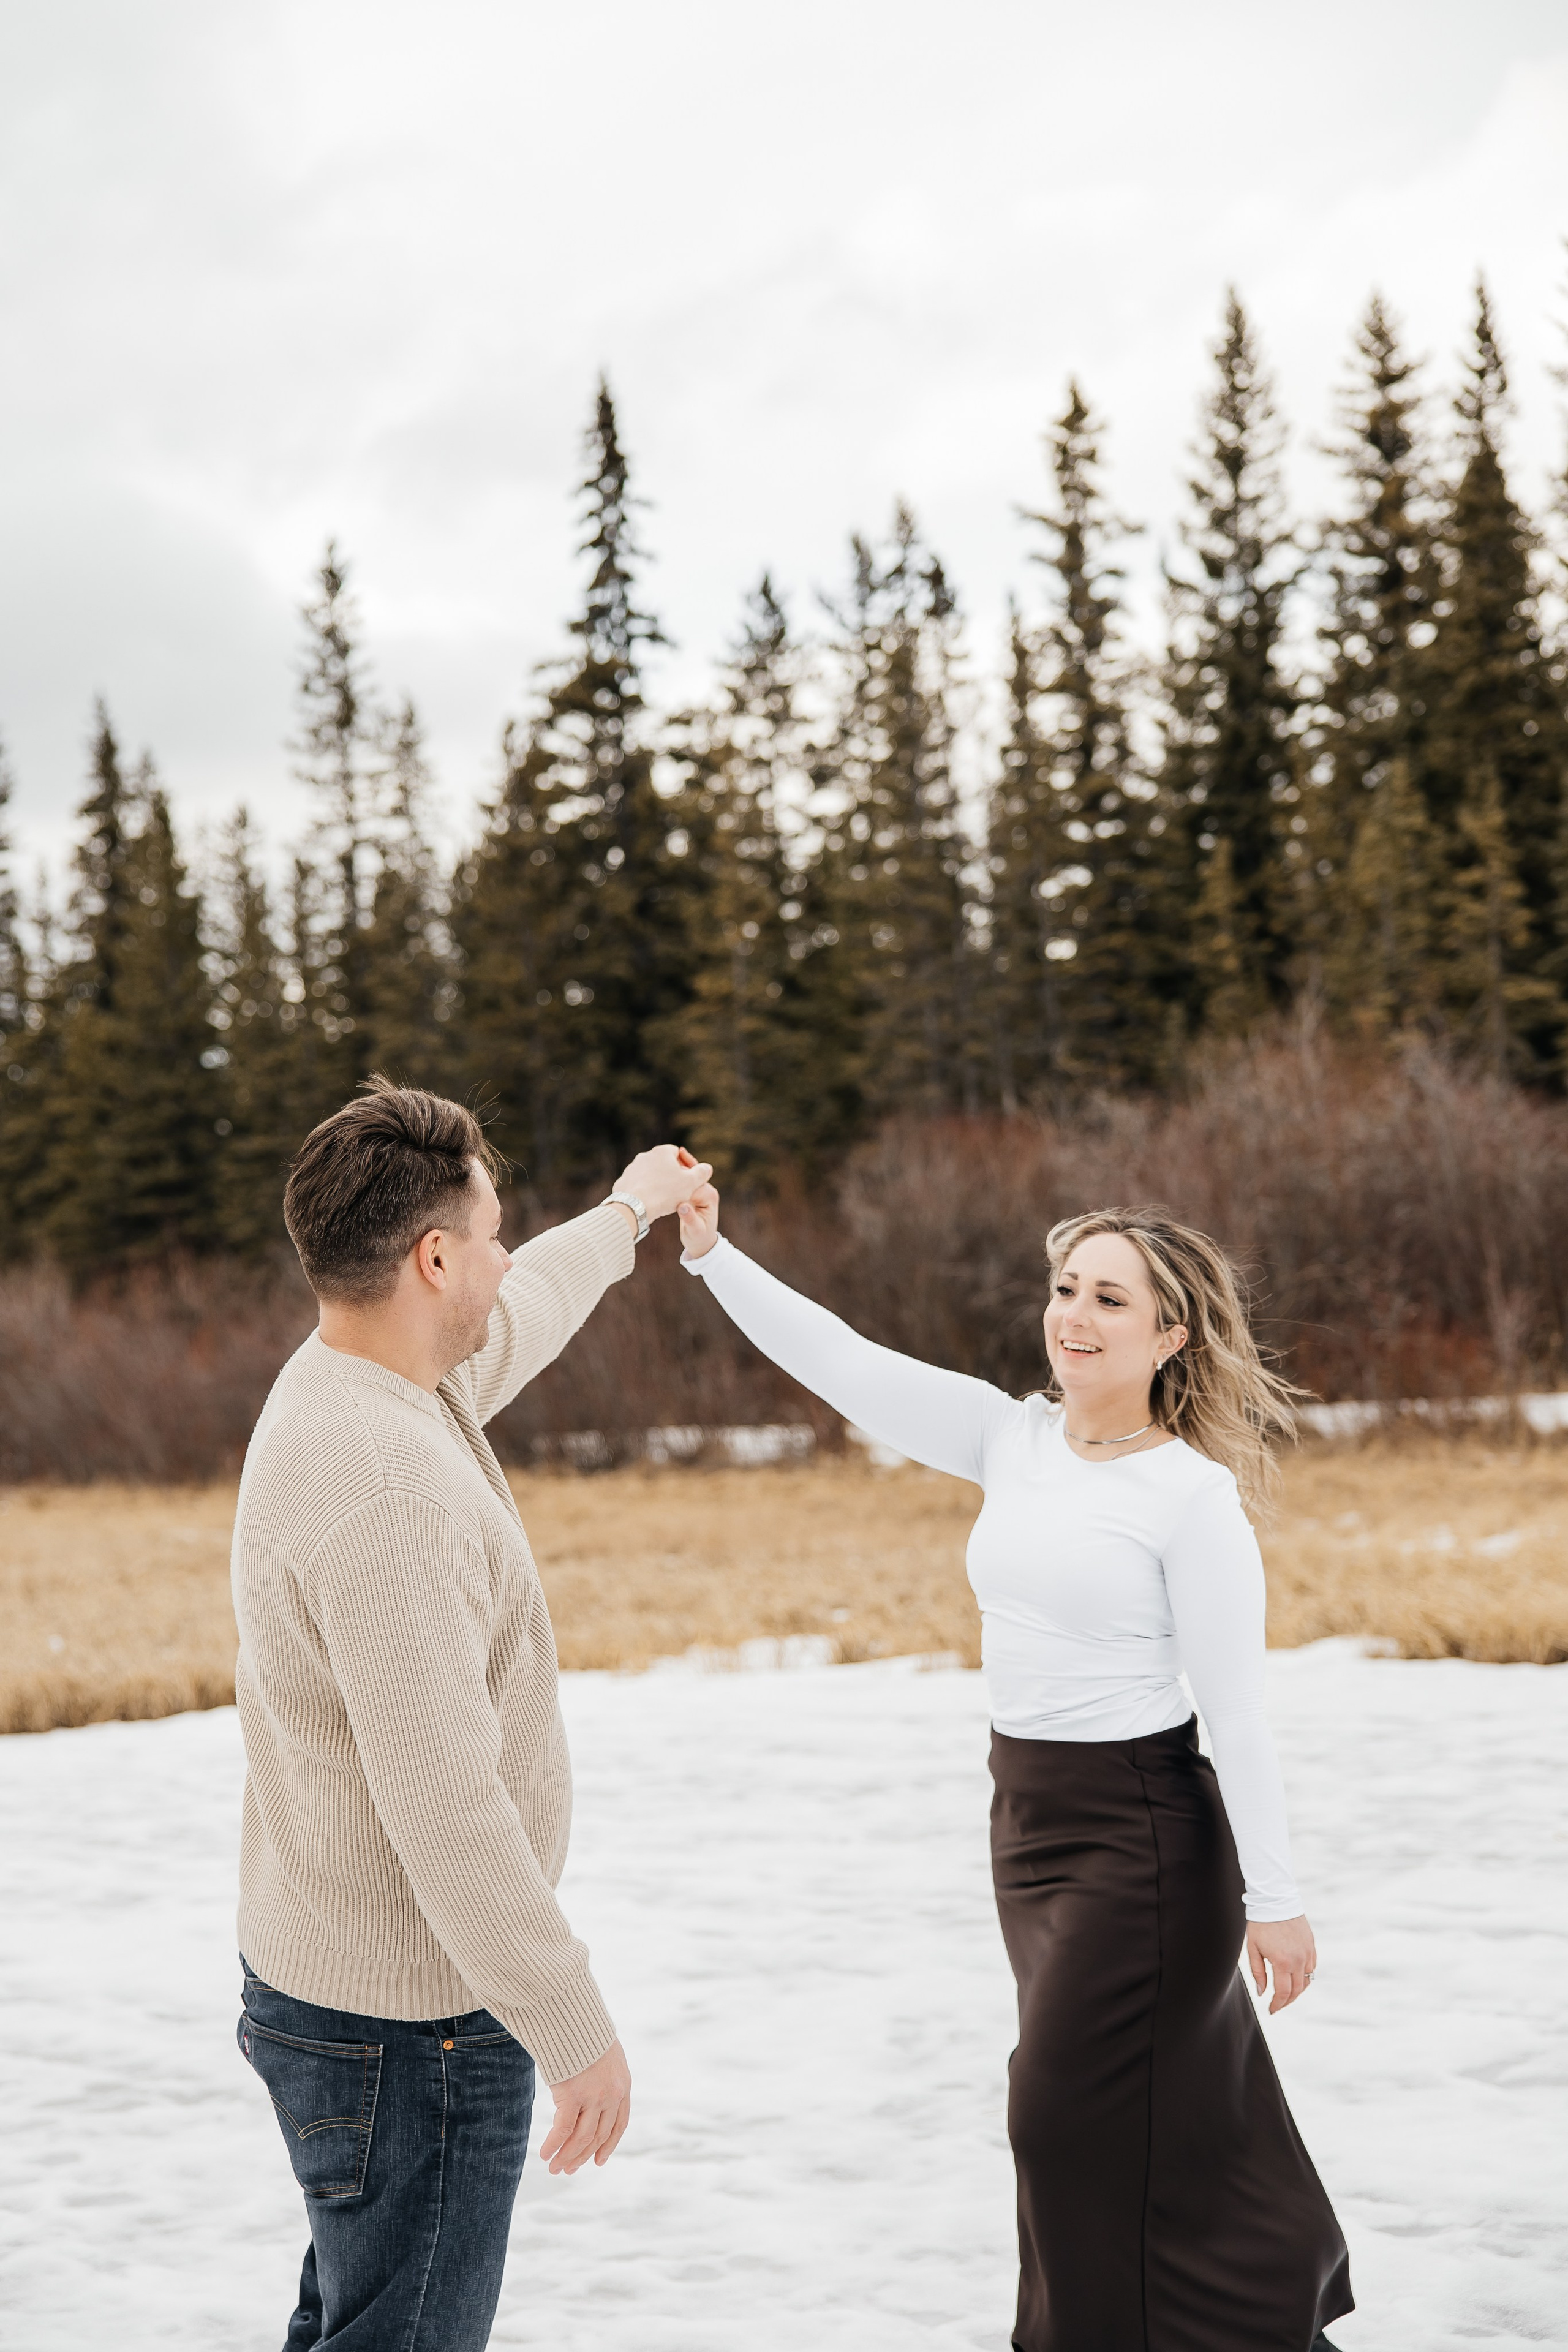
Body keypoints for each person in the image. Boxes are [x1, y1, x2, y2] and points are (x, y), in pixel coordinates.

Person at [676, 1186, 1353, 2352]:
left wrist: (1277, 1900)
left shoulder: (1189, 1498)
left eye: (1109, 1299)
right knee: (1154, 2124)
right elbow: (843, 1362)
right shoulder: (1012, 1437)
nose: (1074, 1317)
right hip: (1030, 1832)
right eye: (1064, 1290)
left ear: (1171, 1334)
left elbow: (1236, 1712)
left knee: (1057, 2120)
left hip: (1143, 1841)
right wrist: (711, 1256)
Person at [231, 1078, 710, 2351]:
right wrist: (571, 2025)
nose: (505, 1255)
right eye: (492, 1233)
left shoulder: (359, 1378)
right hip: (413, 2033)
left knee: (356, 2323)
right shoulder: (391, 1488)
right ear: (435, 1258)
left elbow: (523, 1312)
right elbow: (443, 1810)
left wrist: (628, 1212)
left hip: (349, 1997)